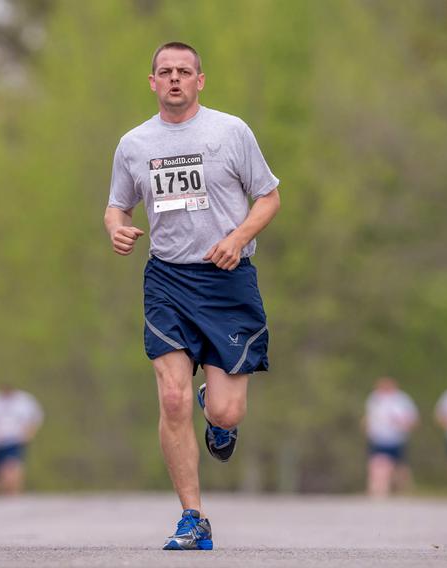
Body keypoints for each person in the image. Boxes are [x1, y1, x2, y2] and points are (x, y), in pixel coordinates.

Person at [104, 42, 280, 550]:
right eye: (165, 72)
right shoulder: (134, 144)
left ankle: (216, 409)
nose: (175, 78)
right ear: (153, 82)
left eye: (184, 71)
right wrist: (116, 229)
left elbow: (269, 196)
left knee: (226, 413)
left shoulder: (230, 132)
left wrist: (239, 237)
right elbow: (117, 207)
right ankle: (192, 516)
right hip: (168, 280)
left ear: (200, 80)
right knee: (172, 397)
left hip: (227, 279)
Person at [0, 383, 44, 495]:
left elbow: (35, 417)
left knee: (12, 465)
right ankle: (5, 488)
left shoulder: (23, 401)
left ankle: (14, 489)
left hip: (16, 438)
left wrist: (30, 432)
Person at [363, 377, 419, 497]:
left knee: (400, 468)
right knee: (378, 464)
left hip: (397, 439)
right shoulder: (374, 398)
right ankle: (378, 490)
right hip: (379, 438)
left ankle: (403, 490)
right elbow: (368, 417)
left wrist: (402, 424)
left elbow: (412, 420)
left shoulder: (402, 400)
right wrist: (368, 430)